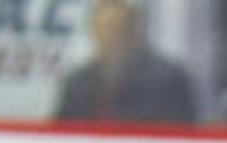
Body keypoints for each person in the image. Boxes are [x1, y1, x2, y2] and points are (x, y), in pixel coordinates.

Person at [53, 0, 197, 126]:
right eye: (105, 30)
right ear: (94, 31)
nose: (112, 39)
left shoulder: (169, 80)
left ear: (134, 30)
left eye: (118, 29)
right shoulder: (78, 83)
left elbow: (180, 135)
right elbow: (61, 134)